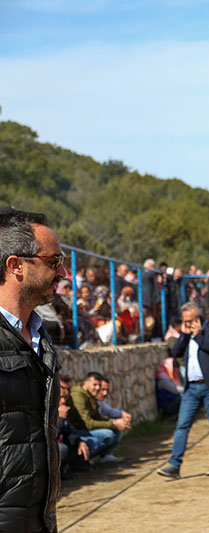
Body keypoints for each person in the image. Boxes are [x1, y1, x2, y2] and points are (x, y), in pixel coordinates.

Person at [0, 207, 67, 532]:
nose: (63, 272)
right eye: (54, 261)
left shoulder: (40, 335)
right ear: (16, 266)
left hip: (40, 518)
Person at [157, 301, 209, 479]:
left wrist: (197, 336)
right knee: (182, 425)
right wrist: (184, 334)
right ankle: (174, 465)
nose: (188, 323)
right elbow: (176, 352)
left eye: (190, 320)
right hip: (191, 387)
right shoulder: (187, 333)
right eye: (185, 320)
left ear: (200, 316)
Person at [68, 372, 130, 462]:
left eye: (99, 385)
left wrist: (116, 423)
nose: (97, 388)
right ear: (86, 382)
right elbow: (87, 423)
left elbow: (97, 417)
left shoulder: (89, 394)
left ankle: (105, 456)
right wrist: (113, 423)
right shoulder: (77, 396)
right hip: (77, 432)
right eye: (95, 384)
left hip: (85, 428)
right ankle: (83, 459)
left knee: (116, 429)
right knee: (107, 434)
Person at [57, 377, 91, 479]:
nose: (63, 401)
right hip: (50, 446)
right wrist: (60, 419)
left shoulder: (63, 409)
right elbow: (52, 436)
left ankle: (70, 469)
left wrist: (80, 441)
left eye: (65, 398)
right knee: (62, 449)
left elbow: (71, 431)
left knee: (81, 444)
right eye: (60, 397)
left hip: (64, 441)